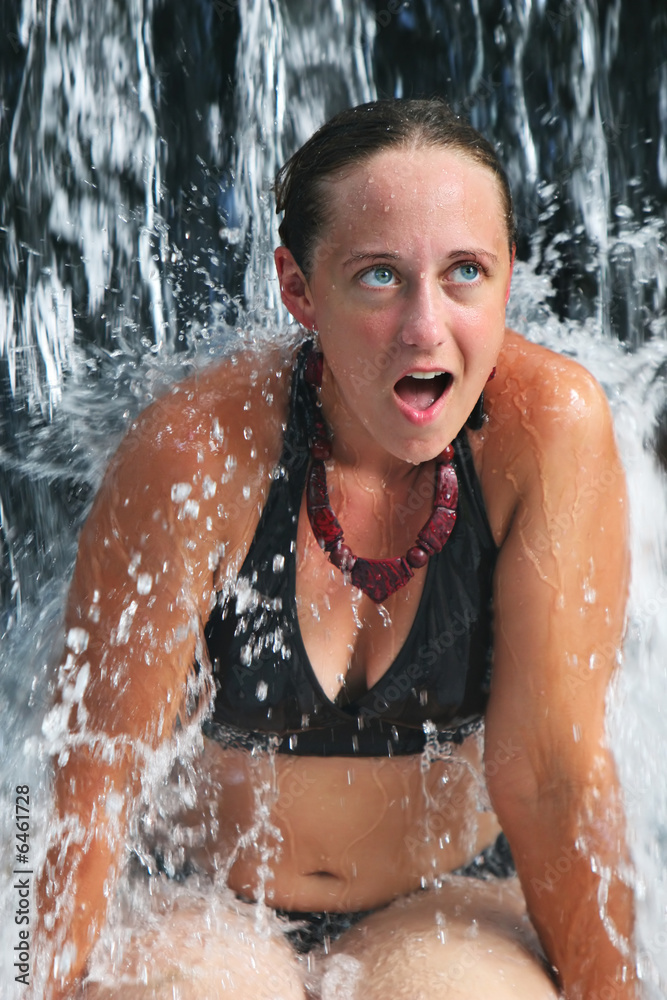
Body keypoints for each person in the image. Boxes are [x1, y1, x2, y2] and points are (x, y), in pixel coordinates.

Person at [35, 98, 637, 1000]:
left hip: (443, 905)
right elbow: (84, 782)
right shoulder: (197, 453)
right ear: (299, 288)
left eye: (465, 272)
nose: (425, 327)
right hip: (197, 902)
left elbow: (553, 782)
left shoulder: (546, 431)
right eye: (378, 276)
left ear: (509, 276)